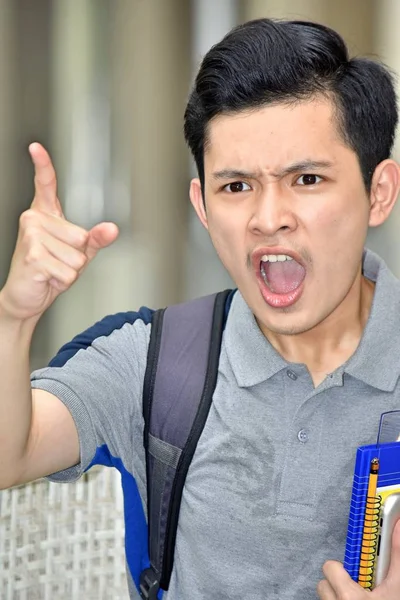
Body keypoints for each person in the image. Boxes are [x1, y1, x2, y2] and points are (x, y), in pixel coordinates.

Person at [1, 16, 400, 600]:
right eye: (236, 187)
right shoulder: (156, 362)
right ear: (203, 206)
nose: (268, 218)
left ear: (378, 192)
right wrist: (14, 317)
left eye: (307, 178)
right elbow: (10, 455)